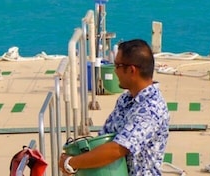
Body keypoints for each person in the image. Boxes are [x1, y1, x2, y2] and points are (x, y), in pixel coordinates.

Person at [56, 40, 169, 176]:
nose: (115, 71)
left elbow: (117, 149)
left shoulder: (151, 109)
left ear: (132, 70)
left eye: (117, 66)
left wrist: (72, 163)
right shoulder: (125, 100)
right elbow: (103, 140)